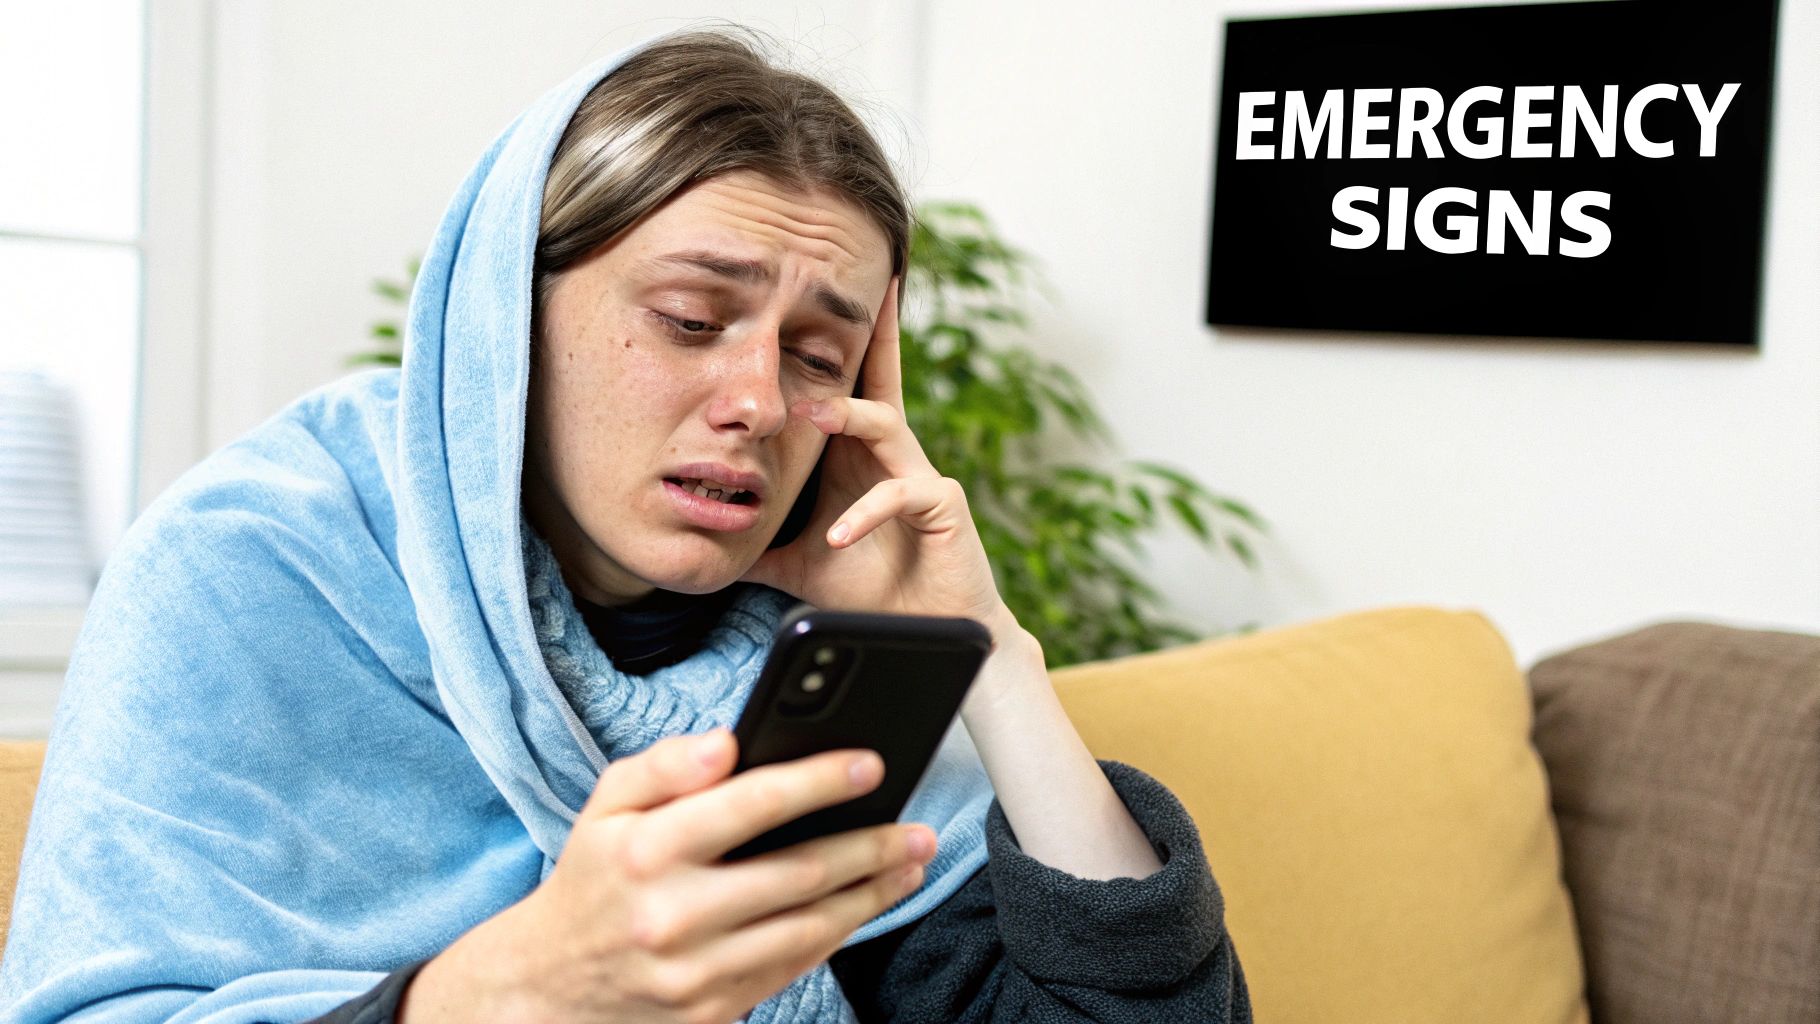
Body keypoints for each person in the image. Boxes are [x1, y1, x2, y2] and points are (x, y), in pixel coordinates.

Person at [0, 27, 1250, 1024]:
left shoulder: (817, 651)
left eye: (818, 353)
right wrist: (514, 992)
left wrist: (983, 644)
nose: (760, 401)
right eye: (692, 321)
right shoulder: (256, 568)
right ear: (507, 318)